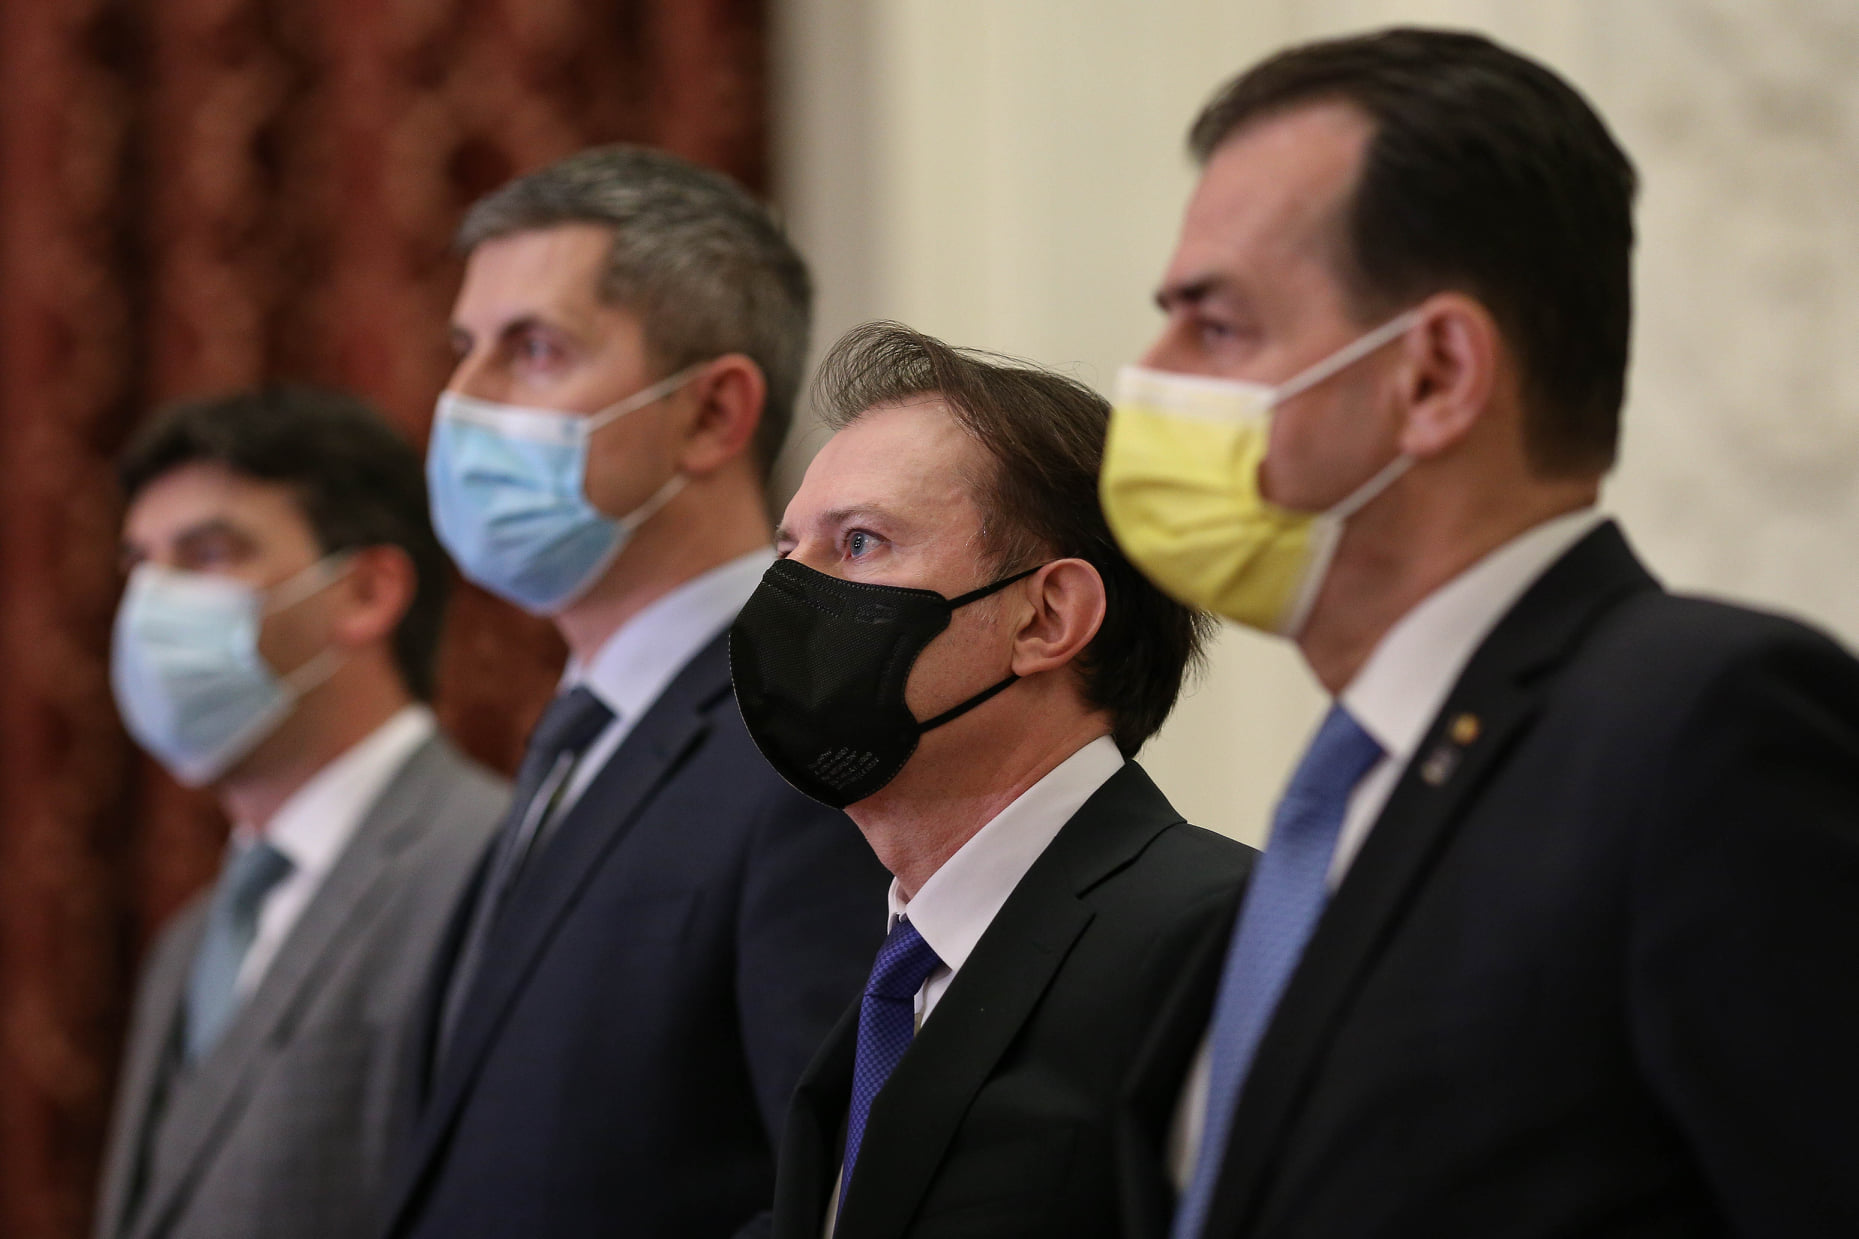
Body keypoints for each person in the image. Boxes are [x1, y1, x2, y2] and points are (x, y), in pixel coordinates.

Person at [1097, 27, 1859, 1238]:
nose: (1146, 374)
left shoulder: (1702, 728)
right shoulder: (1343, 799)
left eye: (1217, 326)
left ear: (1435, 375)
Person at [375, 146, 888, 1239]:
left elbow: (832, 1196)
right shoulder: (580, 734)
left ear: (710, 413)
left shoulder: (810, 740)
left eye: (534, 350)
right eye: (464, 350)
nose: (461, 402)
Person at [738, 322, 1256, 1239]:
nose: (784, 599)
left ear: (1046, 616)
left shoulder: (1218, 940)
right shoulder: (898, 980)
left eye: (858, 542)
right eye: (787, 553)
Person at [92, 387, 508, 1239]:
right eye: (140, 564)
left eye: (207, 554)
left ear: (366, 592)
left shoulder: (494, 867)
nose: (151, 606)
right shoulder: (191, 937)